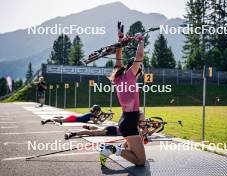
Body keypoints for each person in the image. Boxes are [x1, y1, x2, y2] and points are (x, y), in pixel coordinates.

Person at [100, 21, 146, 166]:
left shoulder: (118, 77)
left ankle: (119, 148)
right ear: (136, 70)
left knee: (135, 144)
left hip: (126, 120)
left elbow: (118, 57)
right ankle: (111, 149)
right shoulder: (130, 75)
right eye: (140, 71)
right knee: (140, 162)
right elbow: (139, 56)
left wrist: (120, 41)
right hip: (129, 121)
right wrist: (140, 40)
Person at [64, 111, 159, 140]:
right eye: (143, 122)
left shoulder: (136, 126)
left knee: (96, 129)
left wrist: (156, 127)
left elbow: (147, 134)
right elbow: (145, 135)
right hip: (112, 131)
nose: (144, 123)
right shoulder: (136, 126)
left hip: (113, 129)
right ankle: (73, 133)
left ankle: (88, 127)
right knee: (91, 133)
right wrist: (149, 128)